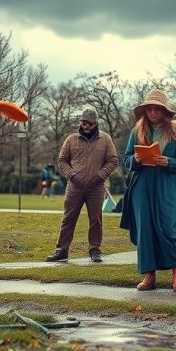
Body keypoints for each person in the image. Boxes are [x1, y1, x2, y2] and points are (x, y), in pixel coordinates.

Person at [121, 89, 176, 292]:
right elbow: (126, 160)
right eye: (148, 109)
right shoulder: (137, 131)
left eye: (156, 109)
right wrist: (136, 160)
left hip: (167, 184)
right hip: (142, 185)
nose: (152, 113)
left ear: (163, 110)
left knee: (169, 226)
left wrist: (169, 161)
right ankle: (149, 275)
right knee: (146, 229)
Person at [45, 107, 118, 263]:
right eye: (84, 123)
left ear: (96, 123)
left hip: (96, 187)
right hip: (74, 186)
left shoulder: (105, 139)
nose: (86, 126)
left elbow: (113, 160)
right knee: (68, 218)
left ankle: (95, 250)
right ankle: (62, 250)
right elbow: (62, 160)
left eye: (90, 123)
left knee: (96, 219)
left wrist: (101, 175)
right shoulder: (71, 139)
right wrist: (71, 175)